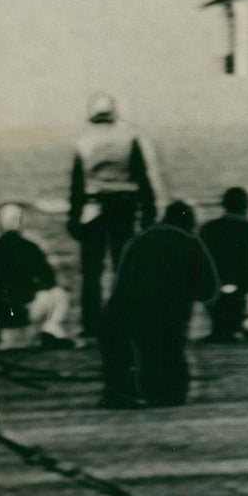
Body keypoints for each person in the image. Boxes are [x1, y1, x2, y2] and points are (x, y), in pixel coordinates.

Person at [100, 201, 219, 408]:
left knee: (135, 351)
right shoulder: (192, 244)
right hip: (170, 317)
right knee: (169, 356)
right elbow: (209, 291)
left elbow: (123, 284)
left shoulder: (139, 242)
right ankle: (165, 392)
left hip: (129, 312)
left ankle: (121, 389)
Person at [67, 93, 165, 337]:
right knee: (123, 266)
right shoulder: (131, 137)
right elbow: (143, 177)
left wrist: (73, 217)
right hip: (124, 207)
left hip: (92, 209)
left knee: (91, 271)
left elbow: (77, 184)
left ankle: (90, 326)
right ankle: (125, 319)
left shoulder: (83, 141)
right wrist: (149, 213)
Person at [0, 204, 76, 350]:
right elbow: (49, 280)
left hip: (2, 315)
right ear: (20, 223)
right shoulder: (31, 248)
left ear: (0, 224)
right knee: (58, 294)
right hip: (28, 310)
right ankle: (51, 330)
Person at [199, 187, 248, 342]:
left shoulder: (208, 229)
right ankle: (244, 324)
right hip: (246, 289)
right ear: (246, 206)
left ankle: (222, 325)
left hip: (215, 289)